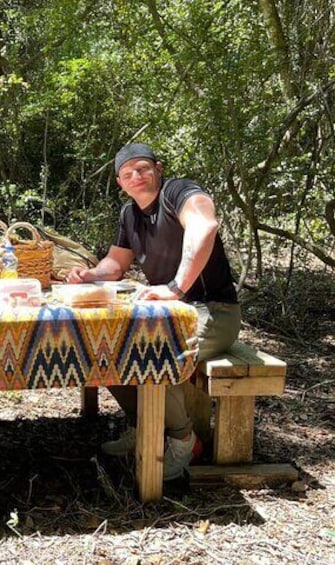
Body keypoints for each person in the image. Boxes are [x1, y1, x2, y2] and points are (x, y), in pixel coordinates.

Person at [67, 143, 240, 480]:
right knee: (105, 347)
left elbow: (204, 225)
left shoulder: (178, 192)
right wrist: (91, 275)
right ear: (120, 182)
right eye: (127, 172)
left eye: (143, 168)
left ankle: (183, 440)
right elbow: (115, 263)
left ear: (159, 169)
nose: (137, 176)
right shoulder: (129, 214)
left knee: (156, 356)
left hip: (212, 311)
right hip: (167, 314)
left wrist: (177, 287)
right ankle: (145, 427)